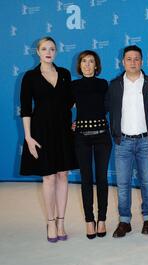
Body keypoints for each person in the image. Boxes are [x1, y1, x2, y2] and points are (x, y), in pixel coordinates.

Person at [19, 36, 78, 242]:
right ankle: (51, 222)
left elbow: (71, 101)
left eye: (52, 48)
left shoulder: (64, 74)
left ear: (56, 52)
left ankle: (61, 221)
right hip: (41, 132)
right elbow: (26, 109)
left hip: (62, 132)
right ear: (37, 52)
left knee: (63, 176)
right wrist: (28, 137)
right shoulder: (30, 77)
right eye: (44, 48)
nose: (48, 52)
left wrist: (74, 121)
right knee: (49, 177)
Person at [105, 45, 148, 238]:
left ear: (142, 62)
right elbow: (104, 108)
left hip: (146, 142)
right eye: (129, 59)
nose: (133, 62)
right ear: (122, 62)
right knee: (123, 183)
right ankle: (124, 221)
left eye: (136, 59)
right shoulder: (115, 85)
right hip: (123, 142)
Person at [71, 50, 111, 239]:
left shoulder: (103, 84)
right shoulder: (73, 86)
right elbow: (61, 108)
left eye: (91, 61)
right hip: (81, 138)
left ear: (97, 65)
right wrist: (68, 124)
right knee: (86, 180)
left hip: (102, 137)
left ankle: (102, 219)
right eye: (84, 61)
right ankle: (89, 220)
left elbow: (110, 107)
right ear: (79, 65)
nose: (87, 65)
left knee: (102, 178)